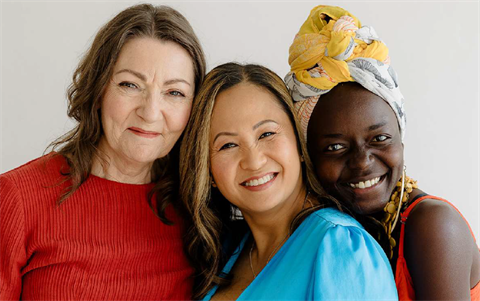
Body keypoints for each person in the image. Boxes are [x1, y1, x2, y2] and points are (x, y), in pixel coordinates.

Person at [0, 4, 205, 300]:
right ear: (98, 91)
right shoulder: (16, 199)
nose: (150, 112)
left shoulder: (199, 213)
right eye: (130, 85)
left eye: (174, 92)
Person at [285, 5, 480, 301]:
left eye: (379, 138)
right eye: (336, 147)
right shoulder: (330, 231)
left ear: (400, 139)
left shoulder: (433, 226)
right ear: (308, 155)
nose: (362, 162)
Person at [179, 62, 398, 300]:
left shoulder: (340, 246)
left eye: (266, 134)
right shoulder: (228, 250)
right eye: (228, 145)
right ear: (207, 170)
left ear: (299, 144)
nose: (253, 161)